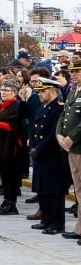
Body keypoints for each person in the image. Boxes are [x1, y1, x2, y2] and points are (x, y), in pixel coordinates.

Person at [27, 77, 67, 234]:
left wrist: (39, 149)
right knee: (42, 188)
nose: (40, 94)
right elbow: (33, 128)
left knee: (54, 190)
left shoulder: (58, 108)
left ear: (53, 91)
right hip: (39, 153)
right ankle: (46, 219)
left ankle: (56, 223)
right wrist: (32, 145)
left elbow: (53, 133)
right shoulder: (42, 107)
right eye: (39, 92)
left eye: (43, 91)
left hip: (52, 154)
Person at [0, 80, 25, 215]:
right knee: (4, 175)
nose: (3, 92)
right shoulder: (0, 105)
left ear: (14, 92)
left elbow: (18, 127)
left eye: (7, 90)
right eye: (1, 90)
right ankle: (6, 201)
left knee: (11, 176)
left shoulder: (17, 106)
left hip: (10, 146)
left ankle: (12, 203)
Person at [55, 63, 81, 239]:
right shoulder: (73, 91)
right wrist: (58, 134)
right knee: (78, 188)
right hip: (70, 147)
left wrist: (71, 136)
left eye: (77, 71)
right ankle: (79, 229)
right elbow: (63, 115)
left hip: (78, 144)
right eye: (73, 71)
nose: (74, 74)